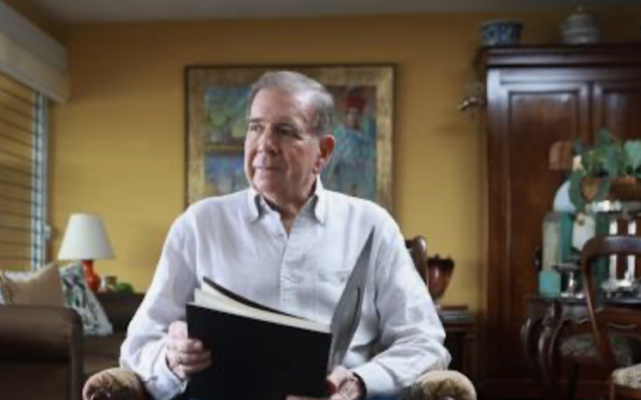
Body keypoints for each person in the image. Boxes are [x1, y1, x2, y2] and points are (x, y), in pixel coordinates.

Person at [83, 71, 449, 400]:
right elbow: (140, 344)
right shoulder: (199, 224)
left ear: (323, 153)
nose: (264, 143)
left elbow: (423, 341)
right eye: (256, 127)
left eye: (285, 131)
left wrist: (359, 383)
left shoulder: (372, 225)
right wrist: (171, 358)